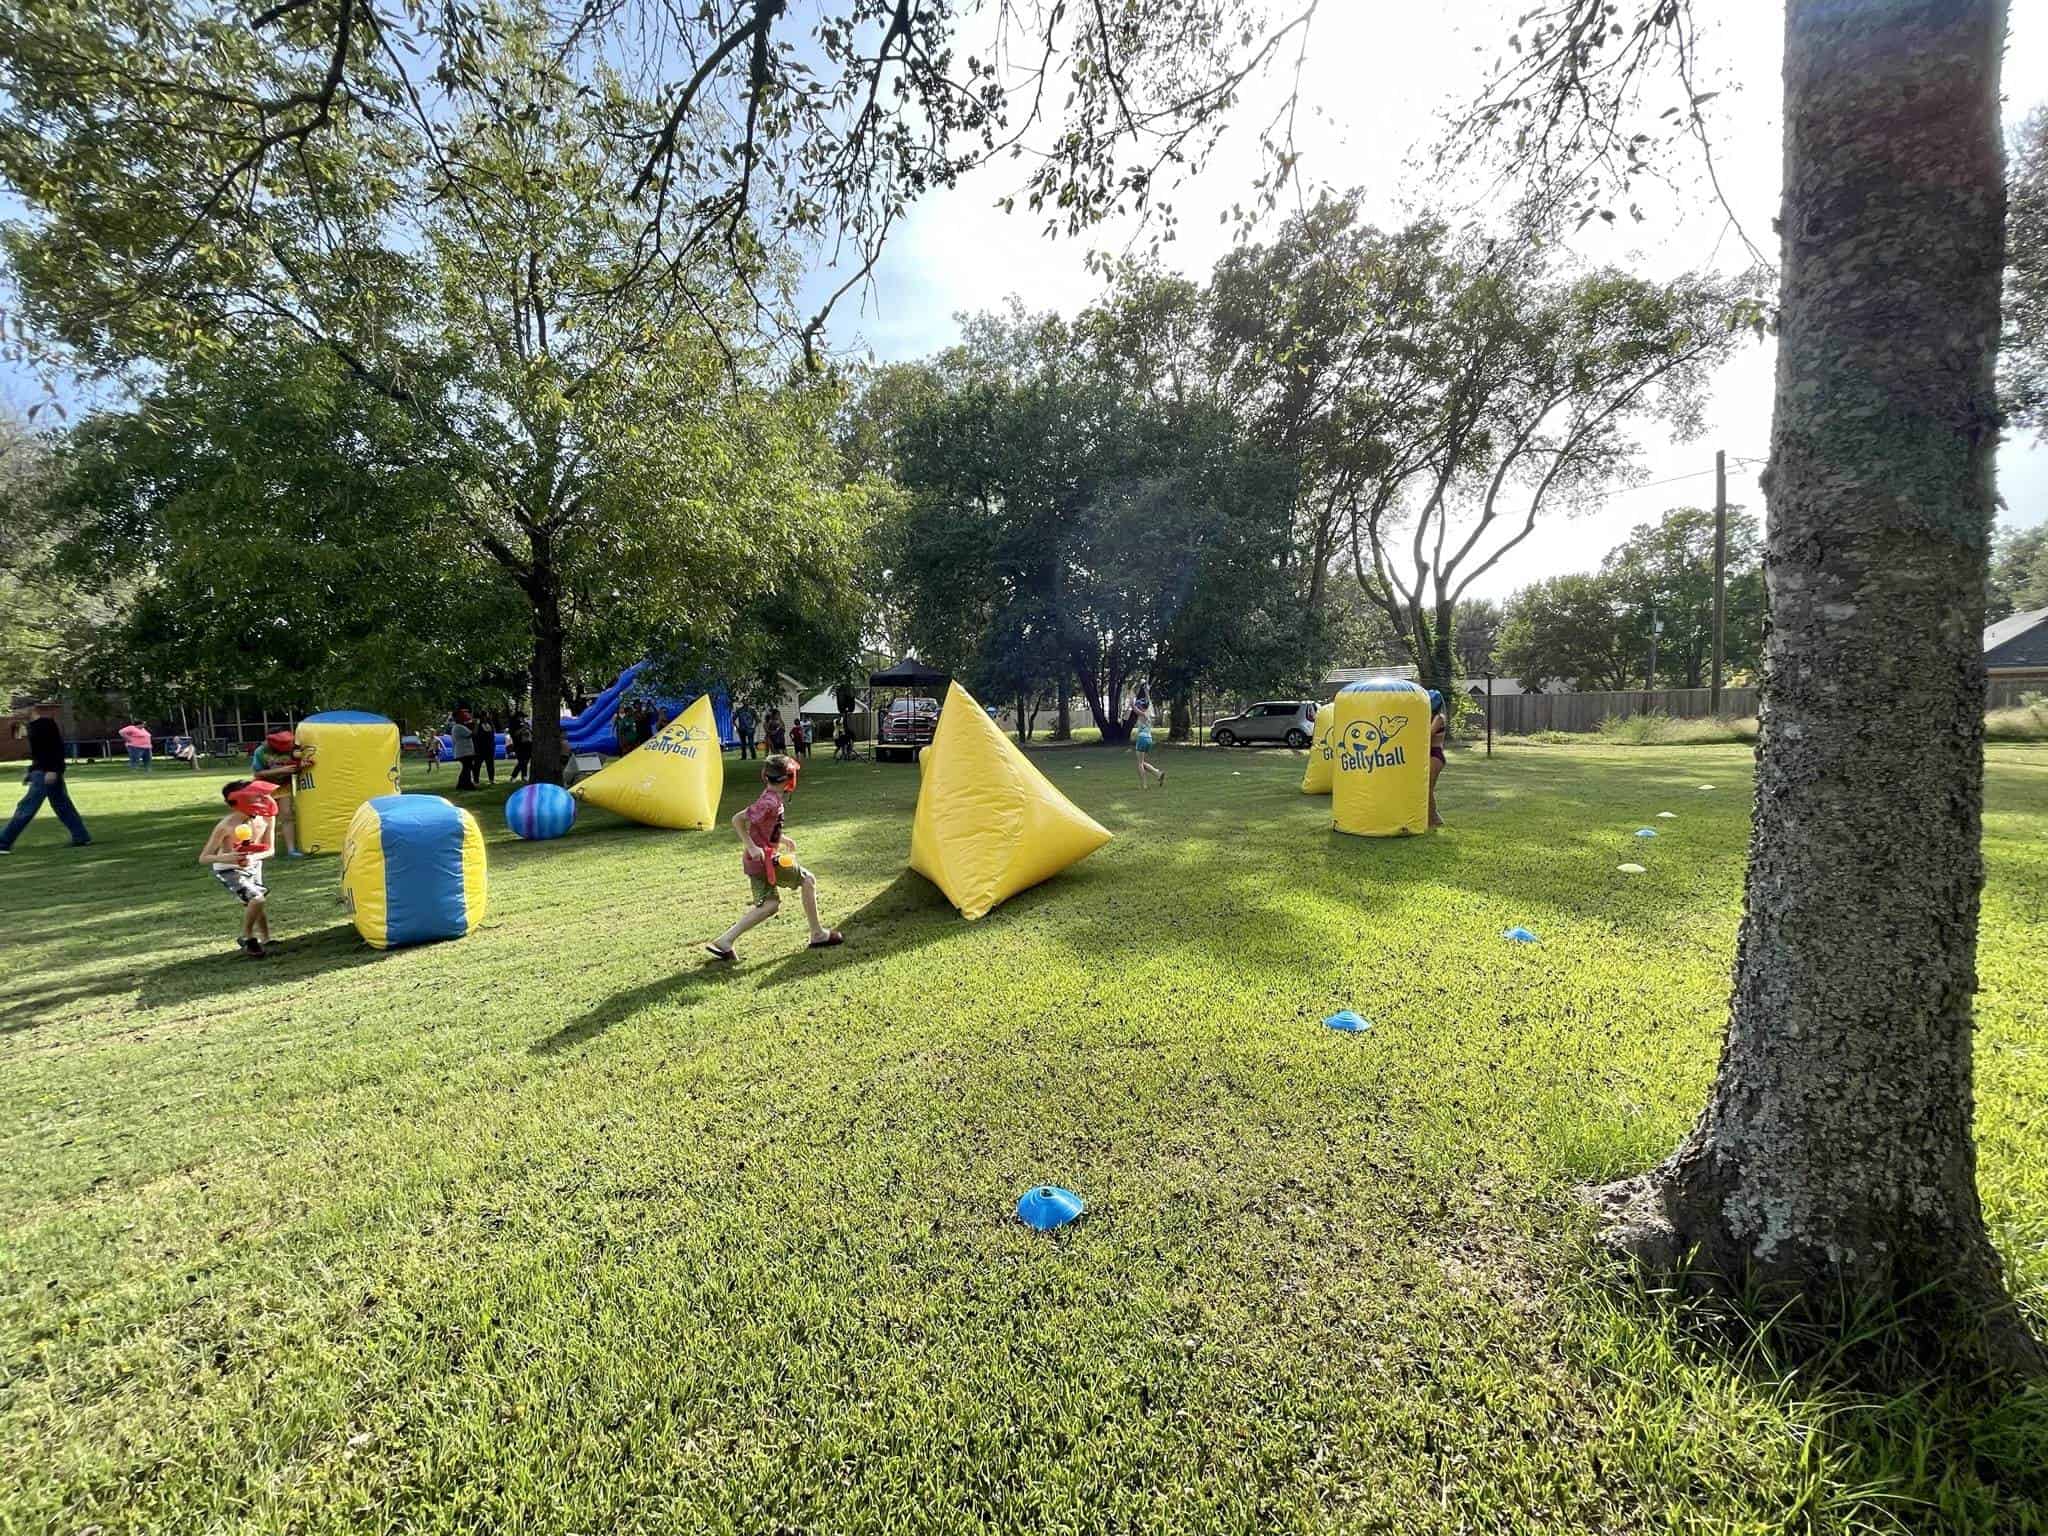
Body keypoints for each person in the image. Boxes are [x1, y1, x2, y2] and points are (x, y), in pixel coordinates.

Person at [704, 755, 843, 961]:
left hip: (759, 861)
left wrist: (781, 838)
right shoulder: (769, 801)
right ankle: (818, 934)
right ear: (789, 779)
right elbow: (737, 820)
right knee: (808, 880)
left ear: (766, 776)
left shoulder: (770, 796)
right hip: (763, 860)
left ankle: (725, 941)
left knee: (770, 905)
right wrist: (751, 847)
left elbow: (764, 826)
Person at [200, 780, 276, 958]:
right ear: (237, 802)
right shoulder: (225, 826)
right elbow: (204, 857)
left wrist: (253, 858)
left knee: (256, 902)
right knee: (256, 899)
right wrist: (228, 857)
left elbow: (270, 850)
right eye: (252, 796)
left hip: (254, 864)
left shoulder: (266, 817)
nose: (259, 799)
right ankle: (247, 937)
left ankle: (266, 938)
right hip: (228, 869)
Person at [0, 716, 91, 852]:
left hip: (46, 772)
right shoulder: (32, 726)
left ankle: (3, 842)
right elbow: (39, 754)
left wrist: (53, 770)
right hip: (42, 771)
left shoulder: (45, 724)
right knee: (62, 805)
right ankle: (81, 836)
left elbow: (55, 748)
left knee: (27, 806)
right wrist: (31, 771)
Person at [249, 728, 308, 857]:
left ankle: (291, 850)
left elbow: (297, 764)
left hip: (283, 787)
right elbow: (258, 773)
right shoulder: (261, 751)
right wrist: (282, 770)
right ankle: (260, 849)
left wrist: (301, 766)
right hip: (264, 787)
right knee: (264, 818)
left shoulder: (294, 749)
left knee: (287, 816)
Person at [1128, 684, 1165, 790]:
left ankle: (1144, 785)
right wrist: (1146, 690)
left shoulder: (1142, 714)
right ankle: (1157, 773)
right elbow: (1148, 700)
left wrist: (1131, 690)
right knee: (1142, 762)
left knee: (1139, 763)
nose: (1138, 706)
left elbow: (1132, 705)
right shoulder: (1149, 711)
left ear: (1141, 707)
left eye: (1139, 705)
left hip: (1142, 738)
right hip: (1149, 738)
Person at [1428, 689, 1448, 829]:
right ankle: (1431, 818)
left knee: (1428, 789)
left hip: (1435, 755)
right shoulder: (1428, 716)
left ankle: (1435, 819)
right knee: (1426, 789)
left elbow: (1428, 733)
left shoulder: (1439, 718)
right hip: (1428, 755)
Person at [449, 708, 476, 790]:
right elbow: (472, 734)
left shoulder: (458, 726)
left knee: (466, 767)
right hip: (464, 751)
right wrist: (476, 724)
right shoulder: (458, 727)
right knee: (467, 768)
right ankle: (467, 785)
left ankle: (461, 784)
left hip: (463, 751)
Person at [509, 712, 534, 783]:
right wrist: (523, 728)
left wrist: (528, 728)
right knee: (522, 762)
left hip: (528, 744)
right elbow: (514, 734)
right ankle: (514, 776)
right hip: (519, 746)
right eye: (522, 717)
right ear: (518, 717)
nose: (523, 719)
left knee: (525, 762)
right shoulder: (513, 724)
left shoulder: (526, 723)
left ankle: (524, 776)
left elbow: (531, 732)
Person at [476, 710, 497, 785]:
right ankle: (476, 780)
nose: (485, 717)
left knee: (490, 765)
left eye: (486, 716)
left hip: (490, 747)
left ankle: (491, 779)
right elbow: (477, 735)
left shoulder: (490, 724)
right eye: (484, 716)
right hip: (480, 748)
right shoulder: (478, 725)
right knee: (477, 765)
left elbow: (493, 734)